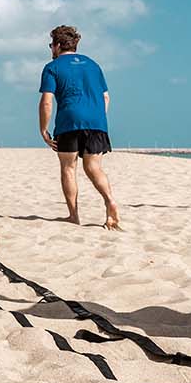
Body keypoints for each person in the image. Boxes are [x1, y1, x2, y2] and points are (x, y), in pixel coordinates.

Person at [38, 25, 121, 230]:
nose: (51, 49)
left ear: (57, 45)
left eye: (51, 45)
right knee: (94, 167)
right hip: (96, 122)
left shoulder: (52, 67)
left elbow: (47, 101)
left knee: (68, 168)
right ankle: (110, 200)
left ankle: (73, 215)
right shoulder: (94, 65)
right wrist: (98, 119)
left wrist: (43, 129)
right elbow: (105, 96)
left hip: (69, 121)